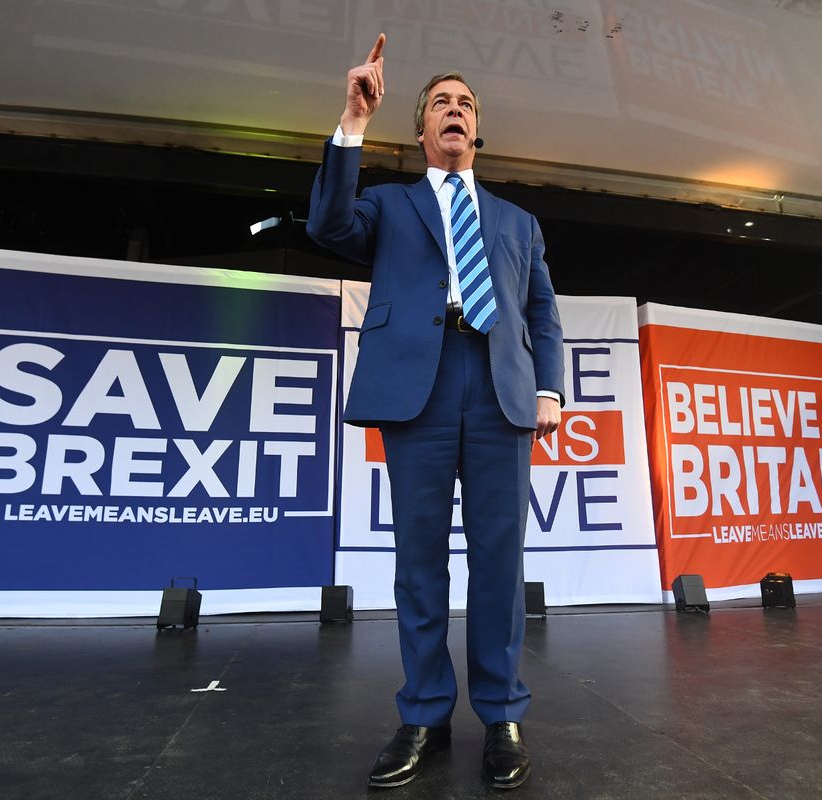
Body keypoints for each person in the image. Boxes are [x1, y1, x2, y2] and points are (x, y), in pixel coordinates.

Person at [306, 34, 564, 790]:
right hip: (415, 387)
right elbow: (326, 226)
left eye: (466, 104)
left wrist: (548, 388)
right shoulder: (388, 204)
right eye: (441, 104)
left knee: (499, 563)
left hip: (499, 388)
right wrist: (351, 122)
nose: (455, 110)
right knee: (418, 563)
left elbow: (542, 314)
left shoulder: (519, 222)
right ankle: (422, 712)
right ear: (421, 132)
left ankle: (502, 715)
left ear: (474, 131)